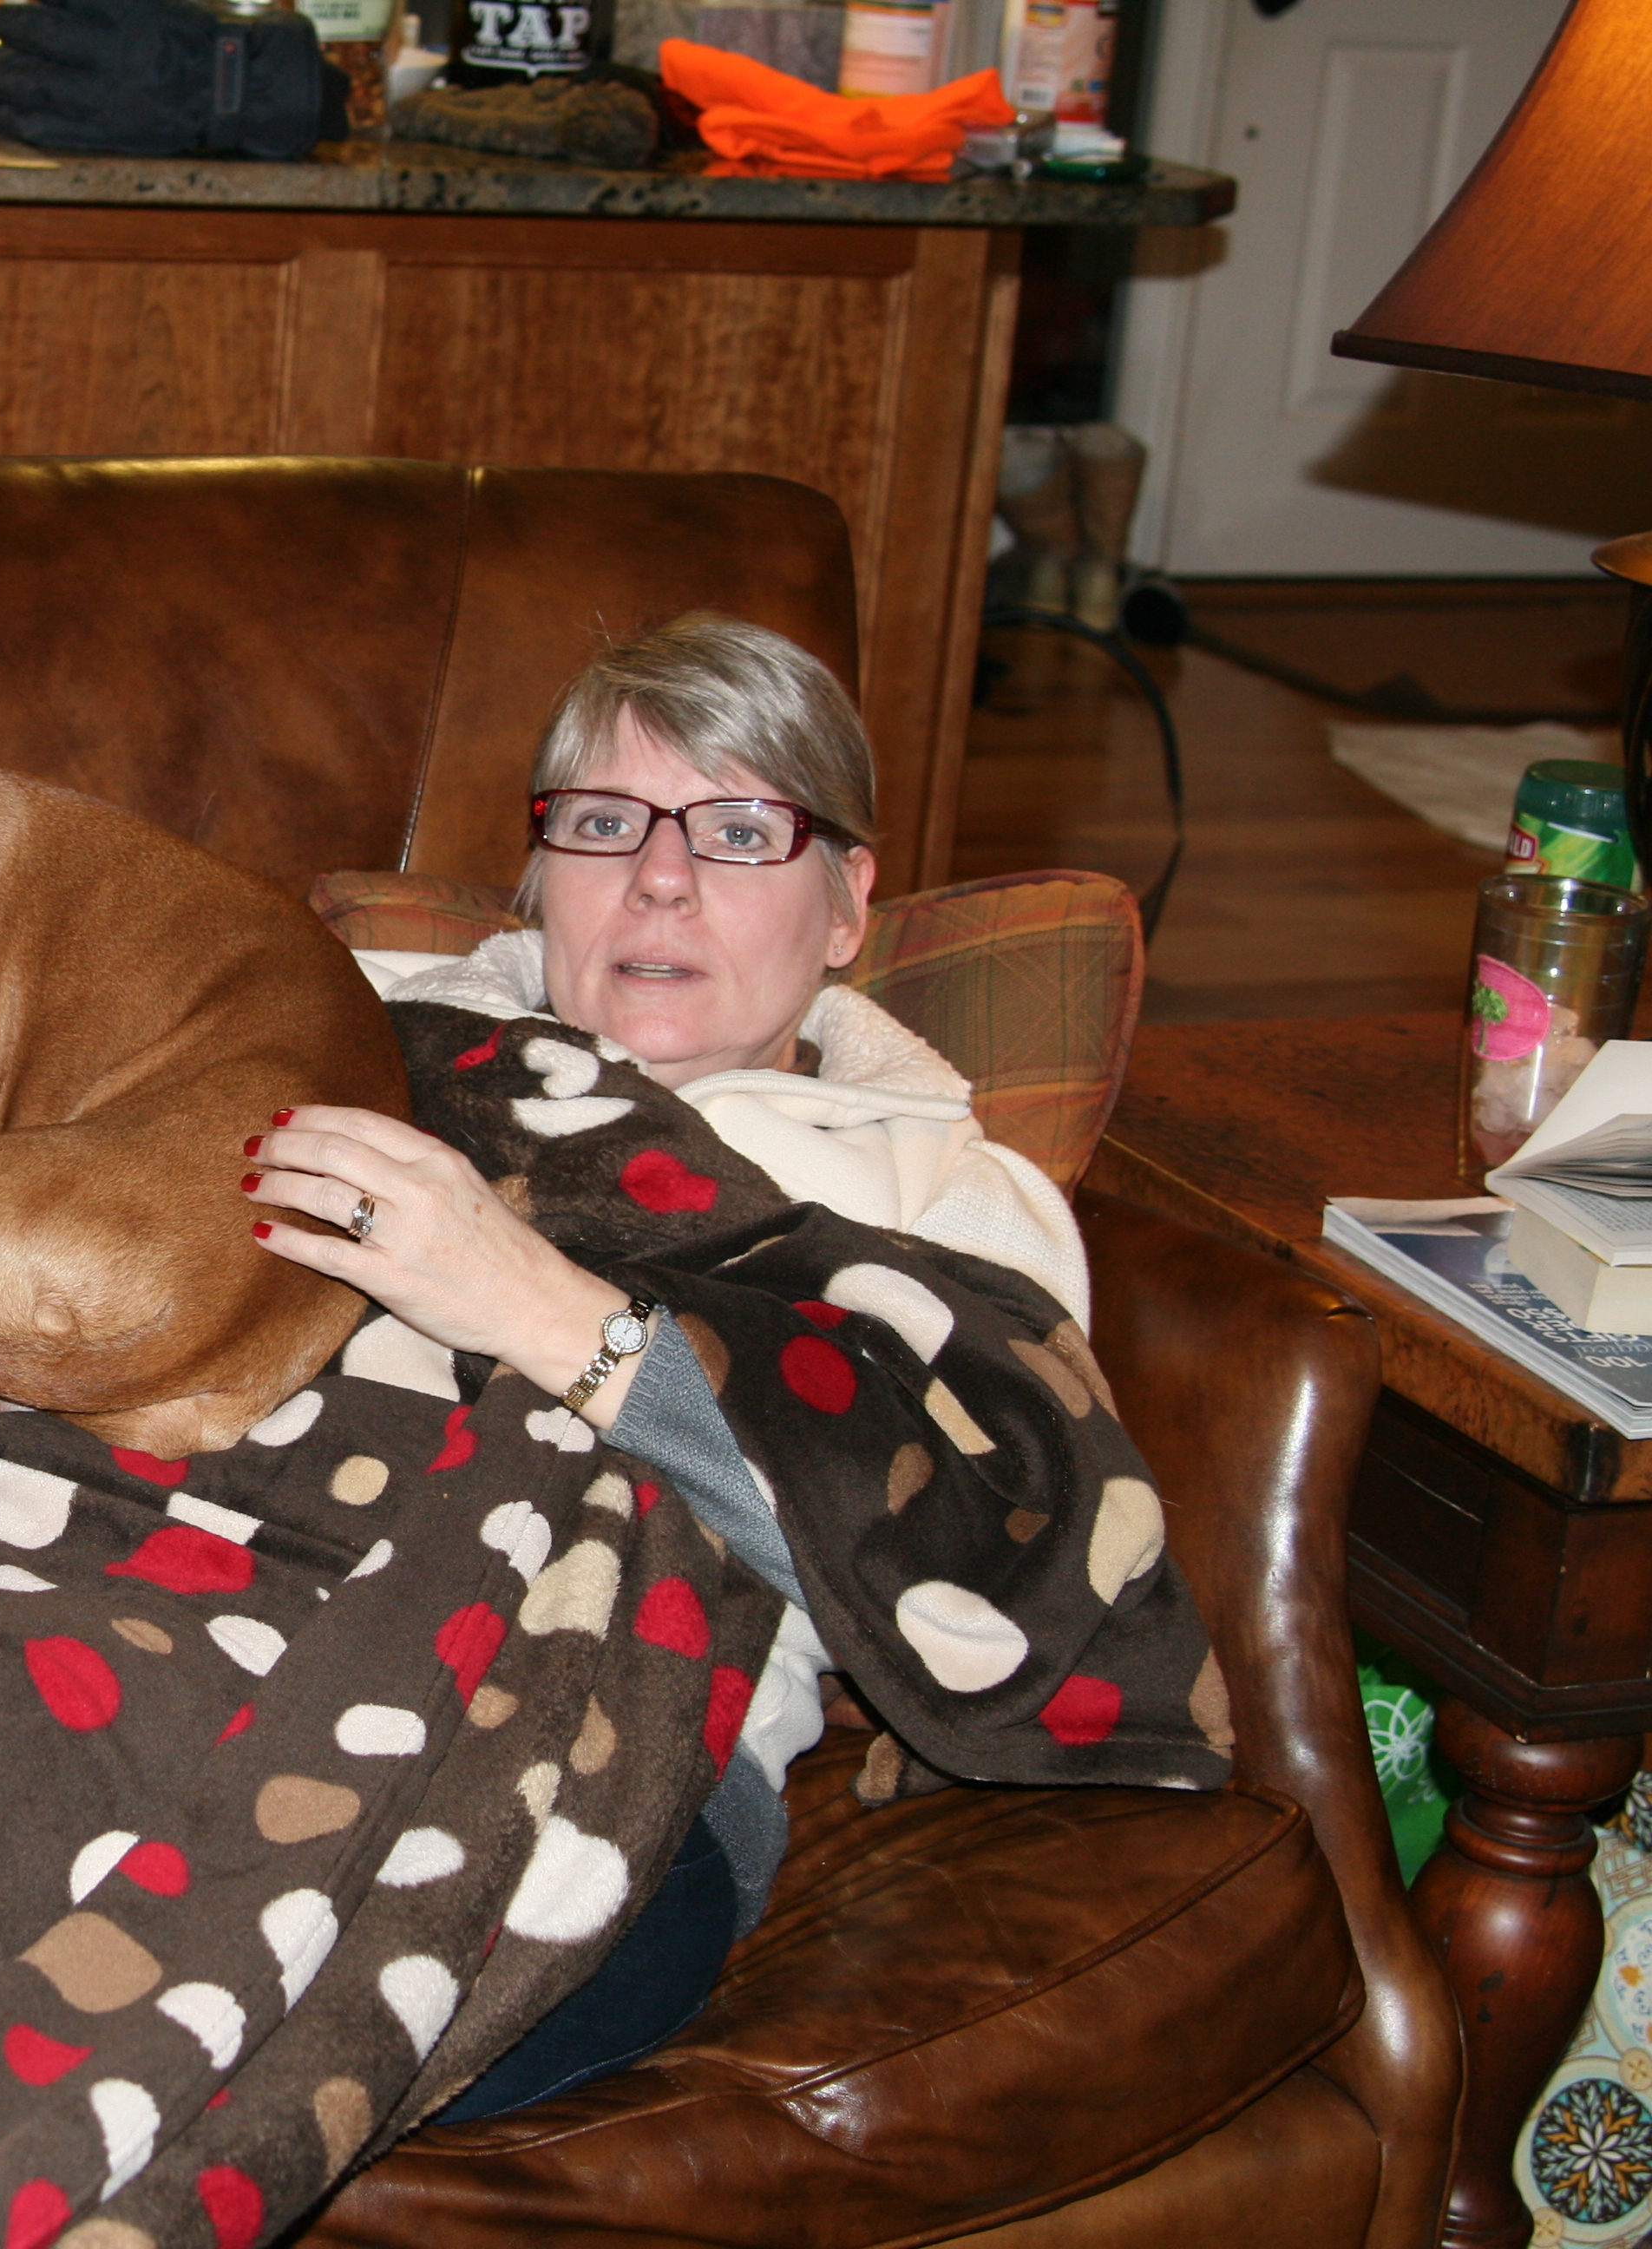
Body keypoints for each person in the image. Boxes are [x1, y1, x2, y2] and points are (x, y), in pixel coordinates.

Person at [239, 610, 1090, 2115]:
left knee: (269, 2042)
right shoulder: (355, 1028)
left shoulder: (951, 1205)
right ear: (540, 873)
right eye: (605, 823)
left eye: (742, 831)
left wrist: (548, 1313)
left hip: (608, 1773)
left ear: (848, 904)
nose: (662, 877)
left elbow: (965, 1587)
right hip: (215, 1615)